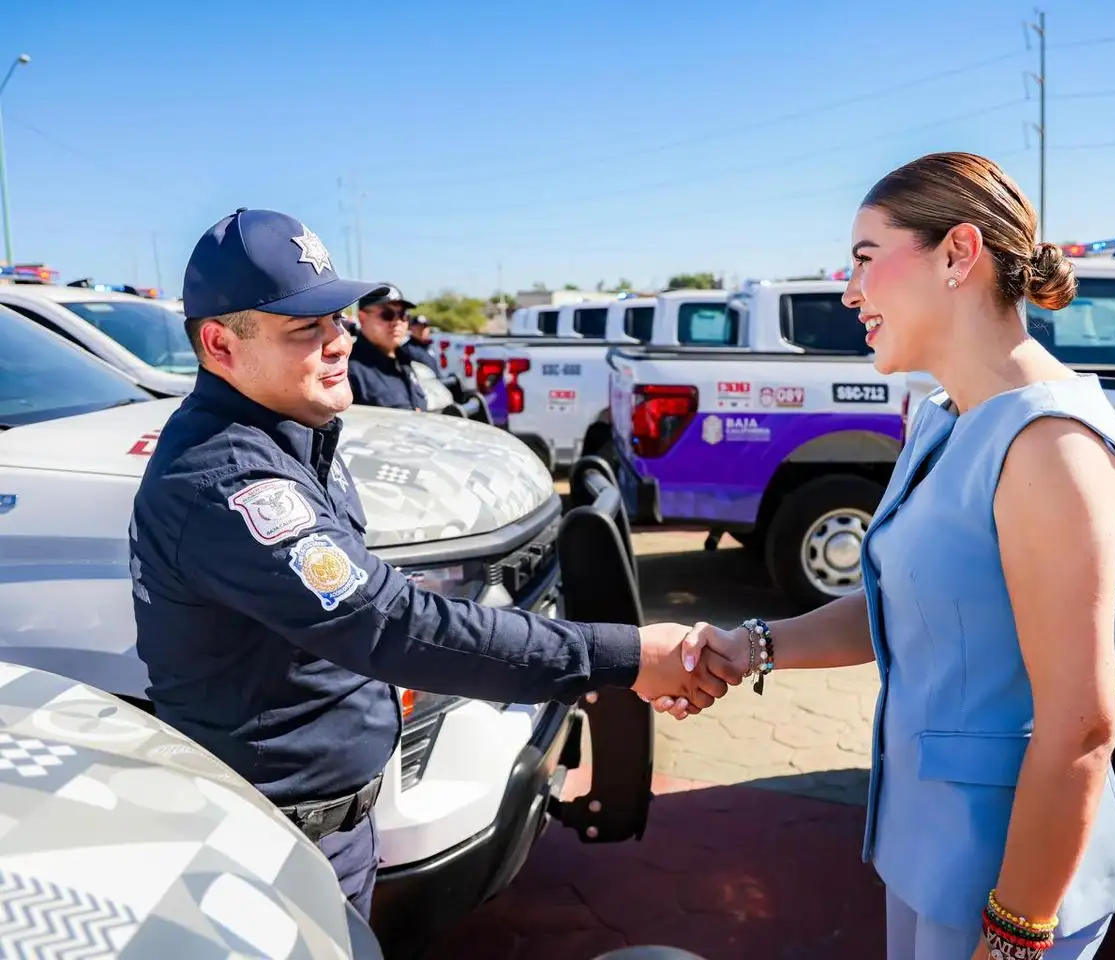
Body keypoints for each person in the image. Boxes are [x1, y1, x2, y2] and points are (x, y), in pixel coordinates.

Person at [128, 207, 739, 919]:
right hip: (279, 851)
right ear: (218, 344)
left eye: (338, 319)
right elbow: (390, 626)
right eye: (306, 330)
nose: (339, 341)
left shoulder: (290, 431)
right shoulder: (229, 482)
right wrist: (627, 657)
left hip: (324, 831)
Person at [655, 153, 1115, 960]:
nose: (848, 292)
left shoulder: (1052, 447)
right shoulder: (945, 417)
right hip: (930, 857)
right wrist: (750, 647)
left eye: (865, 260)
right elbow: (904, 605)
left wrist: (1016, 934)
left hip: (1014, 885)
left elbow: (1082, 727)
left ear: (957, 254)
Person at [347, 283, 427, 411]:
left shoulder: (404, 360)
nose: (397, 322)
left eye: (402, 315)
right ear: (362, 318)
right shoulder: (348, 370)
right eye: (387, 315)